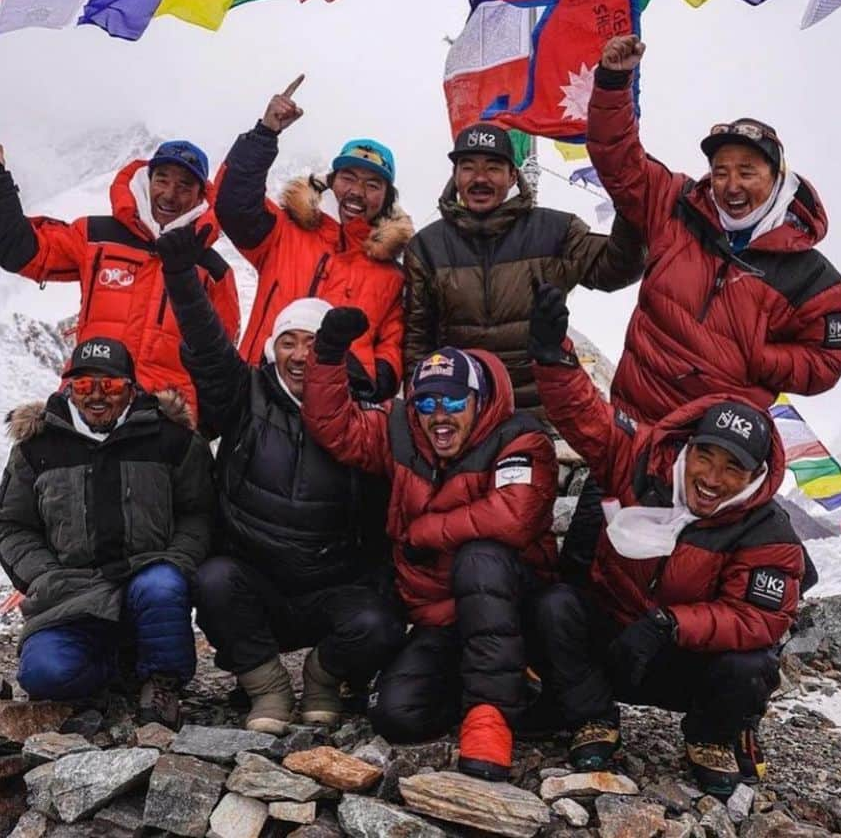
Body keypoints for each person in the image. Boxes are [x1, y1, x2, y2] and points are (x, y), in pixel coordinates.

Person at [527, 285, 805, 797]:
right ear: (688, 446)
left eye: (733, 469)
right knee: (555, 605)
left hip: (681, 656)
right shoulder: (639, 460)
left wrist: (668, 624)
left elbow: (759, 618)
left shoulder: (770, 533)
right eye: (706, 456)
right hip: (613, 638)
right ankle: (593, 718)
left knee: (752, 663)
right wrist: (553, 356)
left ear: (756, 476)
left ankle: (710, 737)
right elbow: (587, 418)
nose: (712, 478)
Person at [153, 224, 406, 734]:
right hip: (256, 580)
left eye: (311, 343)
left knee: (379, 622)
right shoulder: (245, 394)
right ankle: (267, 686)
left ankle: (321, 678)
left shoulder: (367, 413)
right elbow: (207, 347)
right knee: (214, 581)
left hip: (334, 584)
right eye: (287, 342)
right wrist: (181, 277)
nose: (297, 355)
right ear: (272, 350)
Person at [302, 312, 557, 782]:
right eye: (427, 401)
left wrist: (423, 532)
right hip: (436, 616)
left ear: (479, 400)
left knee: (481, 556)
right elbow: (335, 427)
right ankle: (494, 687)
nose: (439, 414)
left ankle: (490, 719)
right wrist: (328, 357)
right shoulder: (401, 433)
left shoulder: (520, 437)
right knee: (395, 715)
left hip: (513, 607)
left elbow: (516, 516)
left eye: (454, 399)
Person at [584, 34, 841, 422]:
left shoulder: (815, 279)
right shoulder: (676, 204)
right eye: (721, 172)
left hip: (713, 447)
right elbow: (617, 159)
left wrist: (756, 356)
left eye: (747, 172)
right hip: (631, 427)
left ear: (777, 177)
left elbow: (825, 363)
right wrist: (611, 82)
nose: (731, 185)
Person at [0, 337, 214, 729]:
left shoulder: (172, 440)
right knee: (44, 677)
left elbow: (199, 513)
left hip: (146, 580)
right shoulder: (36, 448)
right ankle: (118, 668)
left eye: (108, 385)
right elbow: (11, 524)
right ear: (68, 388)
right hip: (69, 593)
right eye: (82, 385)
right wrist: (43, 575)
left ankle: (162, 682)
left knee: (162, 586)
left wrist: (178, 562)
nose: (96, 396)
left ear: (130, 387)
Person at [0, 139, 240, 415]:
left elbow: (218, 362)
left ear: (201, 195)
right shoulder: (97, 236)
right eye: (162, 179)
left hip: (165, 423)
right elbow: (21, 250)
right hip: (87, 403)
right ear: (148, 180)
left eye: (184, 186)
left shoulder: (214, 272)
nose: (169, 194)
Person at [402, 122, 645, 410]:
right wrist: (418, 408)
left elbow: (618, 270)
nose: (480, 178)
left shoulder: (557, 230)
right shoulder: (426, 247)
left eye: (493, 167)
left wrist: (629, 207)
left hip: (539, 409)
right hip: (460, 410)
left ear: (512, 176)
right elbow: (417, 341)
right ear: (455, 176)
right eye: (468, 167)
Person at [215, 75, 412, 402]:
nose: (357, 192)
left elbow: (392, 345)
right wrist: (265, 133)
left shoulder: (391, 273)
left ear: (387, 197)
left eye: (372, 185)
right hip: (259, 394)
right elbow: (233, 204)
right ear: (331, 182)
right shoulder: (284, 232)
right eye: (348, 178)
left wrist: (372, 383)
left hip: (340, 408)